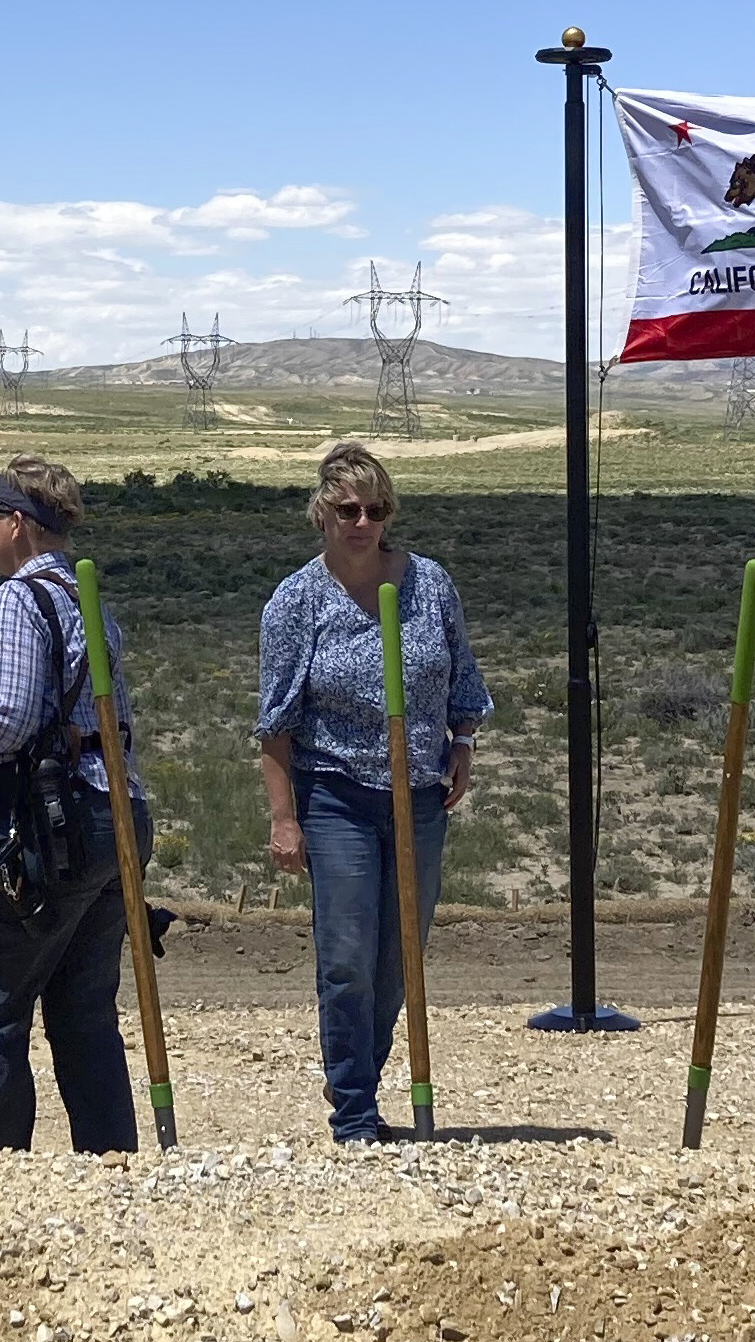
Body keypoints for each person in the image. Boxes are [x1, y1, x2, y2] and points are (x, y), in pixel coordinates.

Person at [254, 442, 491, 1145]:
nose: (363, 522)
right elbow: (275, 724)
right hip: (336, 796)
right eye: (348, 509)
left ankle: (356, 1065)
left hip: (418, 795)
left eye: (375, 509)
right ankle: (353, 1108)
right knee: (349, 951)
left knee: (398, 959)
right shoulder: (296, 602)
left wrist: (463, 743)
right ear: (321, 512)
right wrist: (284, 818)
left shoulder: (430, 585)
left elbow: (464, 686)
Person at [0, 455, 148, 1154]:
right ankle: (110, 1163)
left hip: (46, 827)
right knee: (85, 1011)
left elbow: (2, 720)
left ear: (19, 524)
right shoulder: (85, 598)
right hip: (113, 809)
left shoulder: (14, 602)